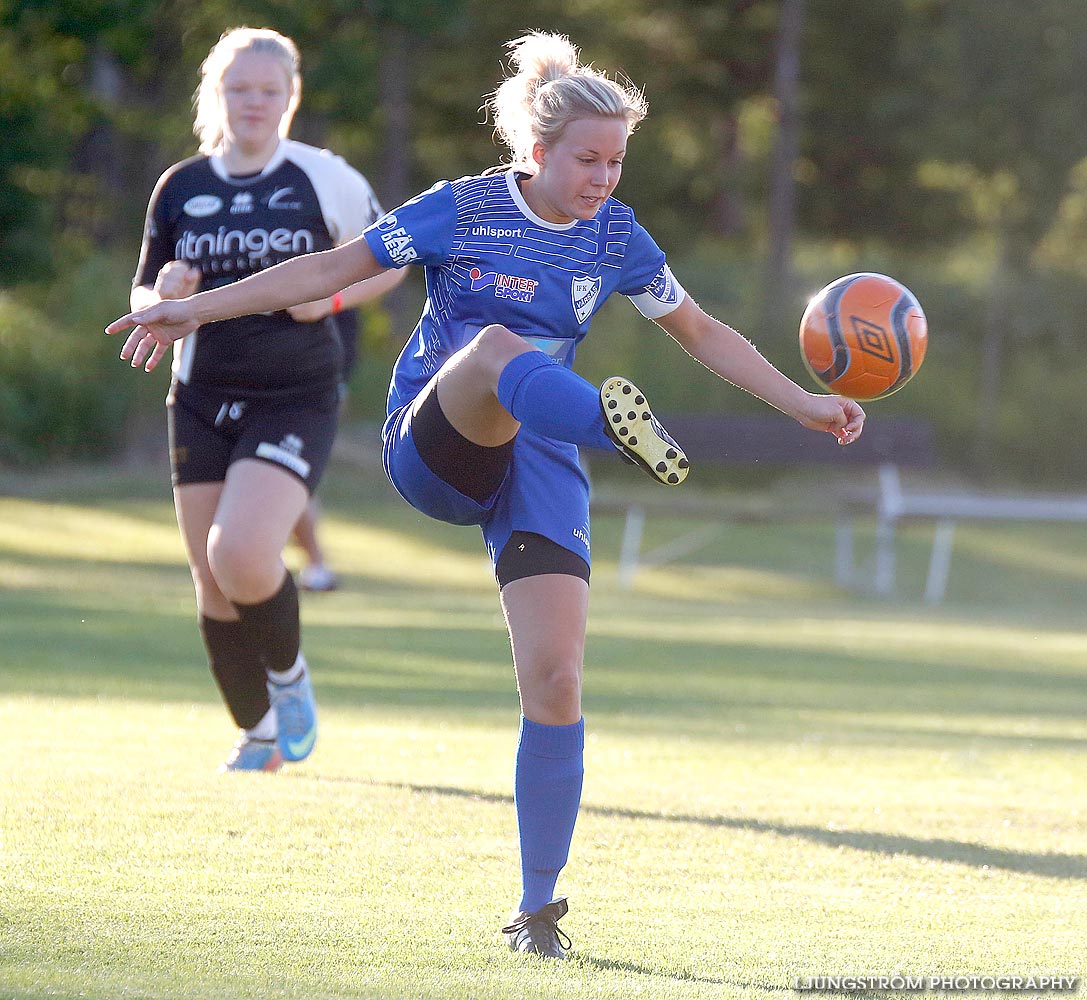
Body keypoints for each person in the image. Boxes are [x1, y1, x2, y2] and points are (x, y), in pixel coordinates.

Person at [108, 31, 864, 956]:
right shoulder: (458, 210)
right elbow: (327, 270)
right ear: (536, 151)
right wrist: (195, 305)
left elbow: (701, 331)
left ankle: (537, 908)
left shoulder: (617, 237)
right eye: (587, 158)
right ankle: (608, 425)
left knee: (555, 678)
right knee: (497, 349)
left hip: (541, 461)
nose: (602, 178)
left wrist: (802, 405)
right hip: (436, 444)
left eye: (617, 160)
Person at [125, 26, 404, 773]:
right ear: (215, 95)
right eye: (239, 89)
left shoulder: (323, 176)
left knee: (241, 553)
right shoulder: (181, 184)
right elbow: (146, 283)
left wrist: (336, 296)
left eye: (269, 90)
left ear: (291, 97)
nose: (254, 103)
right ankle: (258, 738)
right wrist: (165, 293)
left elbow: (392, 260)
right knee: (211, 579)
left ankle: (289, 679)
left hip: (294, 395)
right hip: (199, 394)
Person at [290, 307, 361, 593]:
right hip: (271, 388)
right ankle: (312, 564)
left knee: (294, 477)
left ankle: (316, 564)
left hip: (311, 391)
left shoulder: (332, 288)